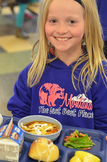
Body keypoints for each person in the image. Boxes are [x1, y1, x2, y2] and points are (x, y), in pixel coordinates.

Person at [7, 0, 107, 133]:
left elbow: (103, 129)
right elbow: (19, 118)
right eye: (53, 21)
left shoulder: (101, 75)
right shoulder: (32, 73)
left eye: (71, 21)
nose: (61, 30)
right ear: (43, 23)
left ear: (88, 25)